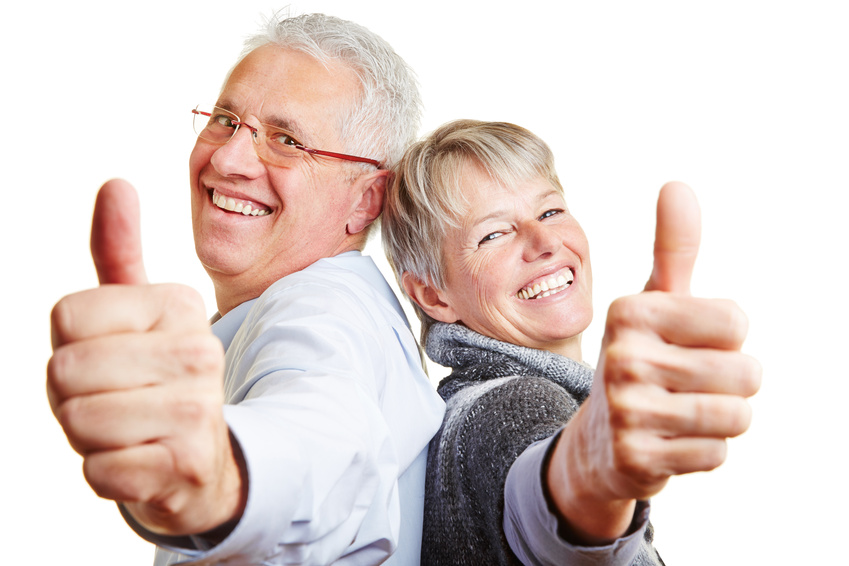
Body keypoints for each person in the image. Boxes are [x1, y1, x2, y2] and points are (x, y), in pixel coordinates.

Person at [47, 12, 445, 566]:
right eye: (225, 119)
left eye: (287, 140)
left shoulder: (323, 309)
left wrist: (219, 481)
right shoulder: (305, 308)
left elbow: (324, 436)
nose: (228, 158)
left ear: (365, 201)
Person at [382, 120, 762, 565]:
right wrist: (596, 467)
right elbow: (550, 505)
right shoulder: (506, 406)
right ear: (433, 294)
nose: (545, 242)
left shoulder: (459, 409)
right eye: (494, 234)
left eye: (550, 212)